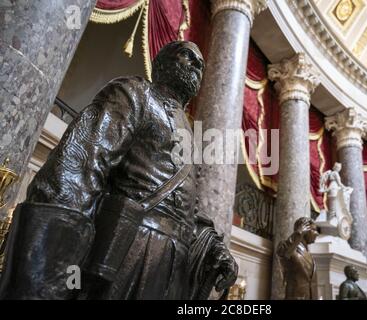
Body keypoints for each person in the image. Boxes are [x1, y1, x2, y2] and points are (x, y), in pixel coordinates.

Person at [0, 41, 238, 300]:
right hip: (127, 245)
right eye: (187, 56)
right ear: (162, 62)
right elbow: (82, 164)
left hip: (172, 265)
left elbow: (187, 210)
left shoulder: (191, 136)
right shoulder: (134, 94)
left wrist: (213, 247)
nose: (196, 66)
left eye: (201, 65)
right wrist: (52, 261)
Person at [277, 217, 319, 300]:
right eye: (313, 230)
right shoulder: (290, 248)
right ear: (304, 229)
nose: (317, 233)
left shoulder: (308, 253)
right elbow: (282, 252)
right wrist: (298, 233)